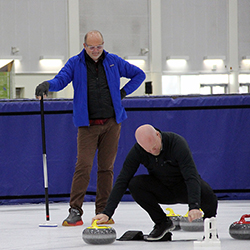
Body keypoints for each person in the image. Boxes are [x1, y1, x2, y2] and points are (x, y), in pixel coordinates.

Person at [35, 30, 146, 226]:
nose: (96, 50)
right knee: (83, 167)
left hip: (112, 124)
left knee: (106, 169)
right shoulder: (75, 63)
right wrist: (47, 85)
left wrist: (123, 92)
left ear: (103, 44)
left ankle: (103, 211)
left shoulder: (114, 61)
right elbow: (60, 81)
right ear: (84, 46)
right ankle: (75, 211)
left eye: (99, 46)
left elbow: (139, 74)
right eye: (91, 47)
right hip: (87, 126)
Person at [93, 124, 218, 241]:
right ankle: (162, 223)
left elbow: (191, 176)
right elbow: (122, 180)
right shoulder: (138, 150)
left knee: (208, 196)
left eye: (154, 147)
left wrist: (194, 206)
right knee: (135, 184)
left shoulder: (177, 143)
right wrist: (107, 213)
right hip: (163, 188)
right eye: (148, 150)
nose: (153, 152)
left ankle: (210, 228)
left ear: (158, 135)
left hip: (184, 187)